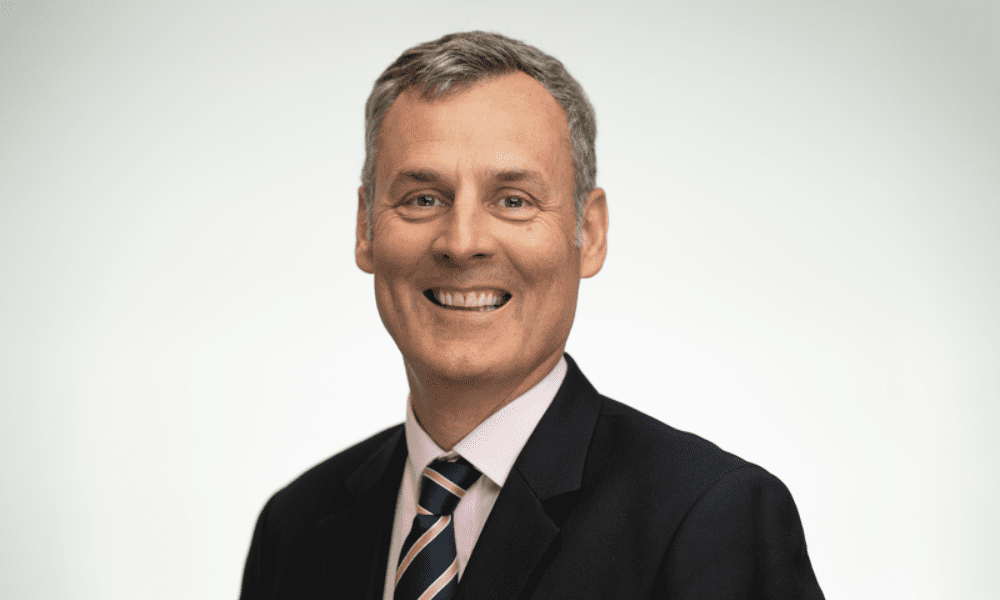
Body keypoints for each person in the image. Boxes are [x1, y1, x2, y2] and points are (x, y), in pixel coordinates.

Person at [239, 31, 824, 600]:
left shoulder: (710, 520)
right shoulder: (294, 530)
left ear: (589, 233)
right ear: (365, 228)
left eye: (513, 200)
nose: (462, 242)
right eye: (423, 199)